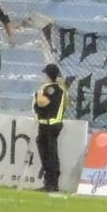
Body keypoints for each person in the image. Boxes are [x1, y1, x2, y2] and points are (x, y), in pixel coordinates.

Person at [34, 63, 68, 193]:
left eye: (45, 75)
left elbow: (43, 102)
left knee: (49, 154)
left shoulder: (51, 88)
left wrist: (38, 94)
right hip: (48, 124)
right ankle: (50, 182)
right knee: (48, 153)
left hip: (50, 124)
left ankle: (52, 183)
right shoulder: (59, 88)